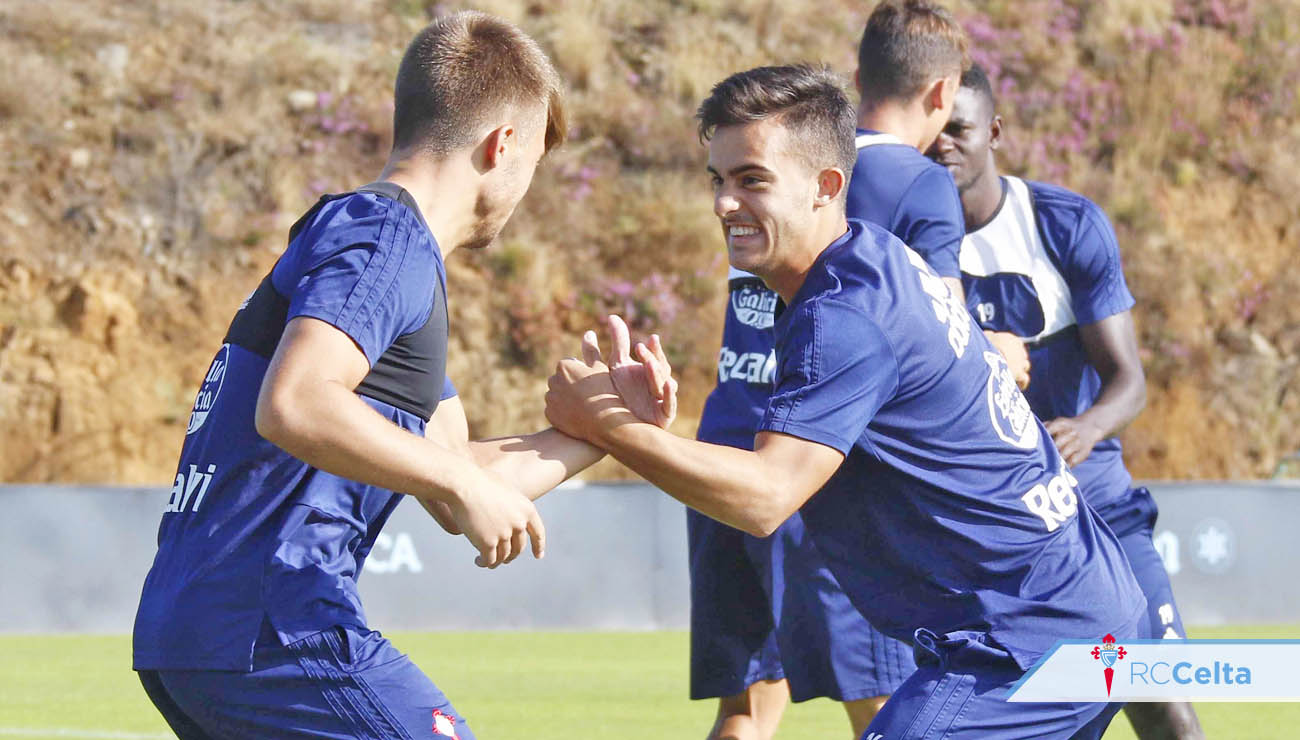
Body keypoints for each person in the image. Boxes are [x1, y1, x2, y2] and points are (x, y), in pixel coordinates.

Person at [545, 64, 1146, 739]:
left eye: (752, 180)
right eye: (718, 180)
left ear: (827, 186)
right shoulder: (871, 261)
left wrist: (610, 425)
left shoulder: (845, 316)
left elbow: (766, 497)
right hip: (1073, 614)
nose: (722, 204)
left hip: (1026, 639)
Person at [131, 12, 672, 740]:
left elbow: (453, 479)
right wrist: (461, 485)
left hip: (204, 631)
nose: (526, 189)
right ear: (502, 145)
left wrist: (605, 431)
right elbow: (294, 403)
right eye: (536, 162)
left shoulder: (379, 254)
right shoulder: (386, 238)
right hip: (270, 626)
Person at [685, 3, 976, 738]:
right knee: (884, 706)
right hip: (821, 469)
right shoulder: (916, 182)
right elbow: (947, 339)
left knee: (747, 711)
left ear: (857, 77)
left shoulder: (761, 164)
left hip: (723, 448)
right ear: (943, 94)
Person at [927, 63, 1206, 740]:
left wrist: (1084, 429)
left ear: (994, 132)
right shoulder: (899, 244)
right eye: (932, 129)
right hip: (995, 536)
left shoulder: (1061, 224)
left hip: (1099, 508)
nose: (944, 145)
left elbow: (1129, 379)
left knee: (1165, 708)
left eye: (959, 129)